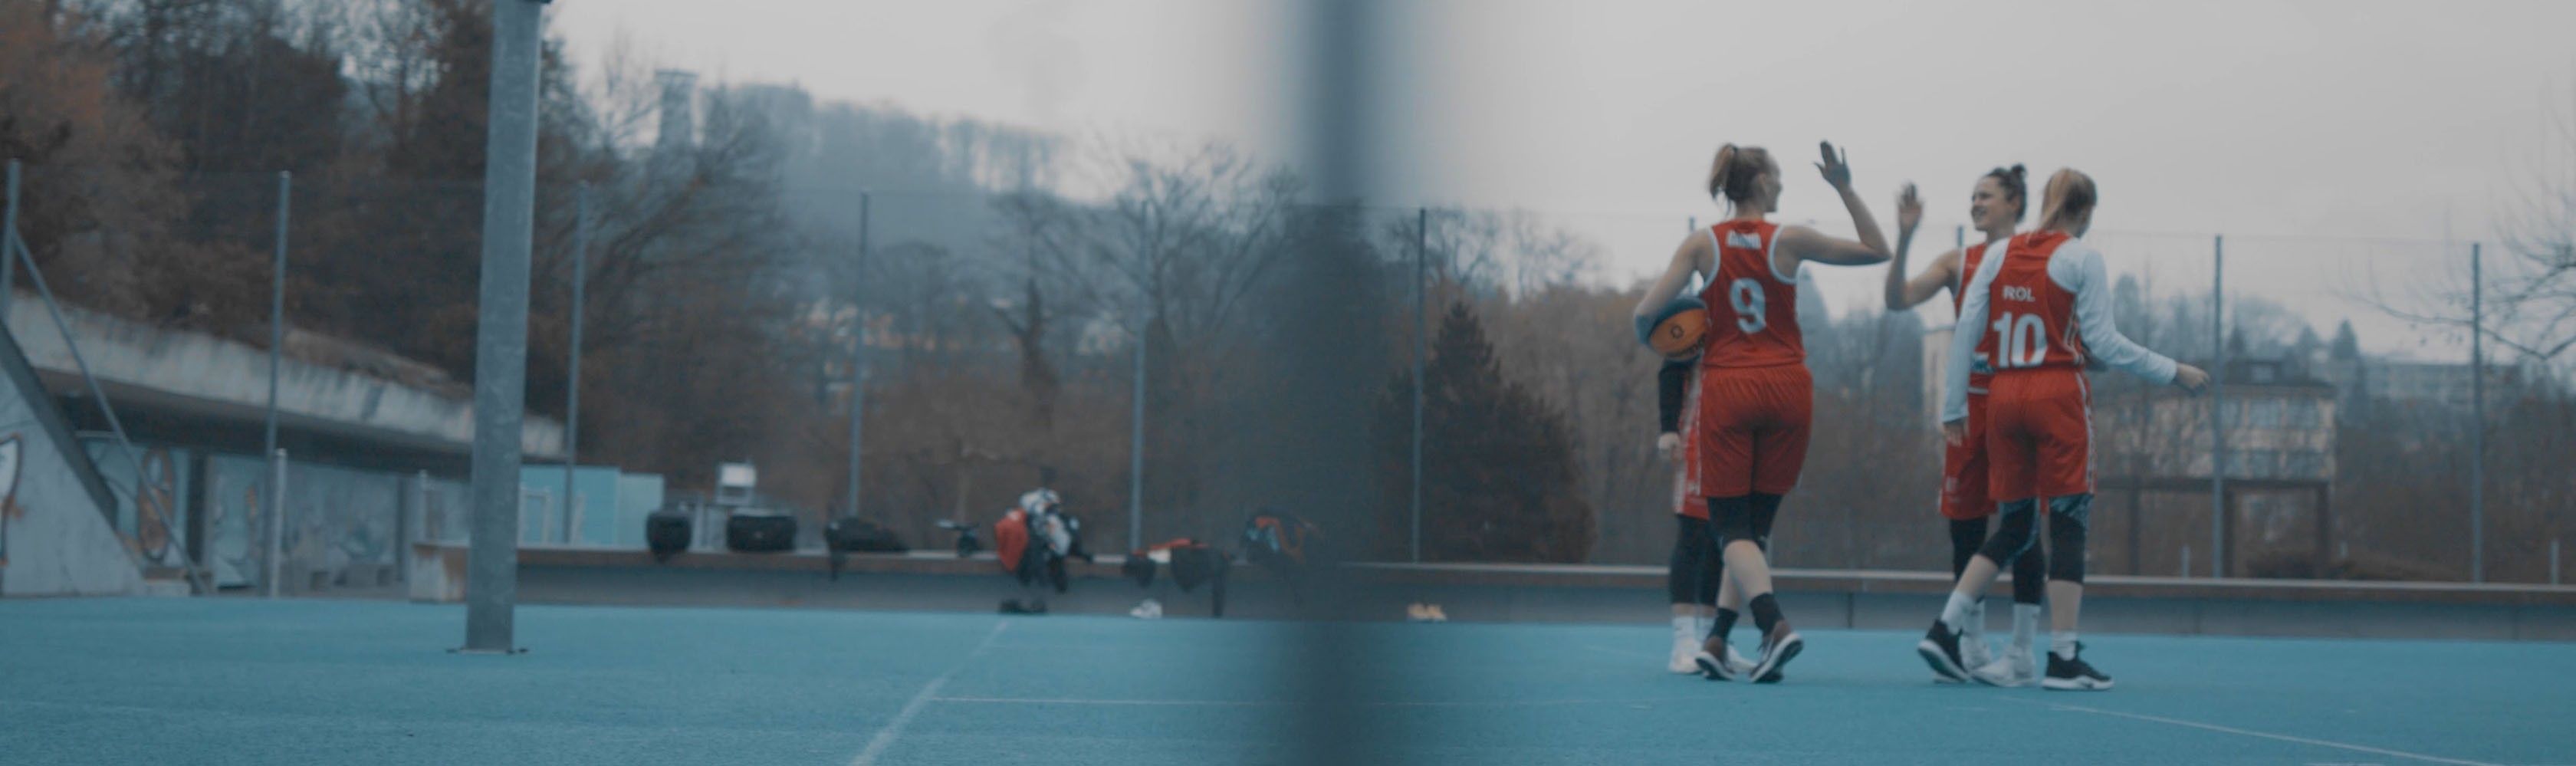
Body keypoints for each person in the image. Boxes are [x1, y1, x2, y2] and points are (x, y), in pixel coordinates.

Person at [1917, 169, 2210, 691]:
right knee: (2069, 523)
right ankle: (2063, 657)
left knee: (2013, 526)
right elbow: (2106, 341)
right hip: (2056, 395)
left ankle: (1946, 627)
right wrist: (2174, 370)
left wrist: (1953, 403)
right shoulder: (2080, 257)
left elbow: (1967, 326)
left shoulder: (1998, 253)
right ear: (2086, 210)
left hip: (2003, 396)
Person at [1633, 141, 1898, 683]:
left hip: (1729, 387)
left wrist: (1682, 345)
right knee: (1753, 531)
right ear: (1757, 183)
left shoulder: (1702, 245)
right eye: (1776, 176)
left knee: (1732, 529)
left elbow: (1645, 315)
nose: (1781, 184)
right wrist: (1844, 186)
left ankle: (1773, 626)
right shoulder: (1791, 238)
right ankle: (1718, 640)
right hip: (1788, 385)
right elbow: (1878, 249)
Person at [1882, 166, 2052, 685]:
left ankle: (2023, 646)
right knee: (1966, 524)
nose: (1975, 204)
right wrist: (1906, 236)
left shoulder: (2036, 257)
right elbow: (1898, 299)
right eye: (1972, 196)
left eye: (1986, 195)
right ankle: (1973, 646)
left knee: (2022, 528)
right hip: (1969, 412)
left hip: (2016, 406)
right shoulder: (1960, 261)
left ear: (2014, 202)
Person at [1654, 352, 1759, 678]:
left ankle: (1714, 639)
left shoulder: (1755, 314)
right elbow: (1672, 365)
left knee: (1722, 541)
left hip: (1738, 438)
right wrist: (1669, 427)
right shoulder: (1701, 307)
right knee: (1693, 536)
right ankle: (1684, 642)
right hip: (1698, 436)